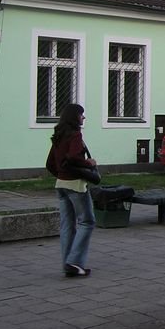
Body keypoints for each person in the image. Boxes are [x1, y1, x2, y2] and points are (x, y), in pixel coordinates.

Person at [48, 103, 97, 277]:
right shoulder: (76, 135)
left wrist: (62, 174)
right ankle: (74, 261)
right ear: (74, 116)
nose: (83, 117)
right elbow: (74, 157)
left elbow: (50, 164)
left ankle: (67, 264)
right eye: (81, 114)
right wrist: (88, 163)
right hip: (75, 185)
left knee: (67, 225)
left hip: (61, 184)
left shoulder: (58, 136)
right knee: (87, 222)